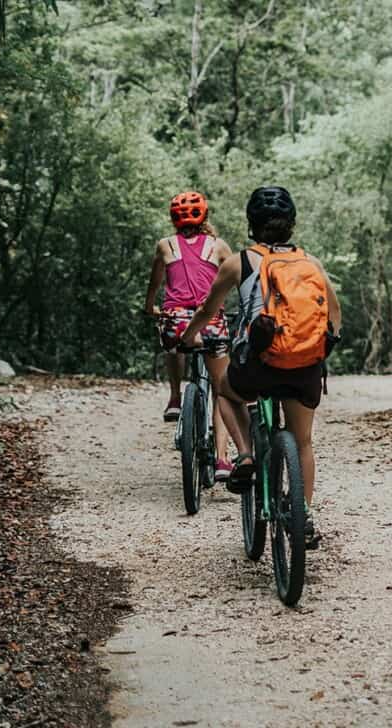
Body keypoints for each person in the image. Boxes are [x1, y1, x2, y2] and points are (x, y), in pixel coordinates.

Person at [182, 186, 341, 549]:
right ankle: (303, 512)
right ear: (292, 224)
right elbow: (334, 315)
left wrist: (191, 336)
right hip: (304, 367)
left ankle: (247, 454)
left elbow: (208, 311)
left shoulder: (238, 263)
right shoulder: (310, 263)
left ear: (251, 225)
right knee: (302, 441)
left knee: (224, 388)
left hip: (260, 365)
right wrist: (319, 350)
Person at [142, 190, 242, 481]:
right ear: (205, 216)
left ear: (173, 219)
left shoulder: (165, 245)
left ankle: (175, 397)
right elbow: (236, 279)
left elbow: (154, 284)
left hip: (176, 323)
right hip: (210, 323)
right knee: (221, 390)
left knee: (171, 341)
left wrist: (151, 309)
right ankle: (223, 459)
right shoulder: (219, 246)